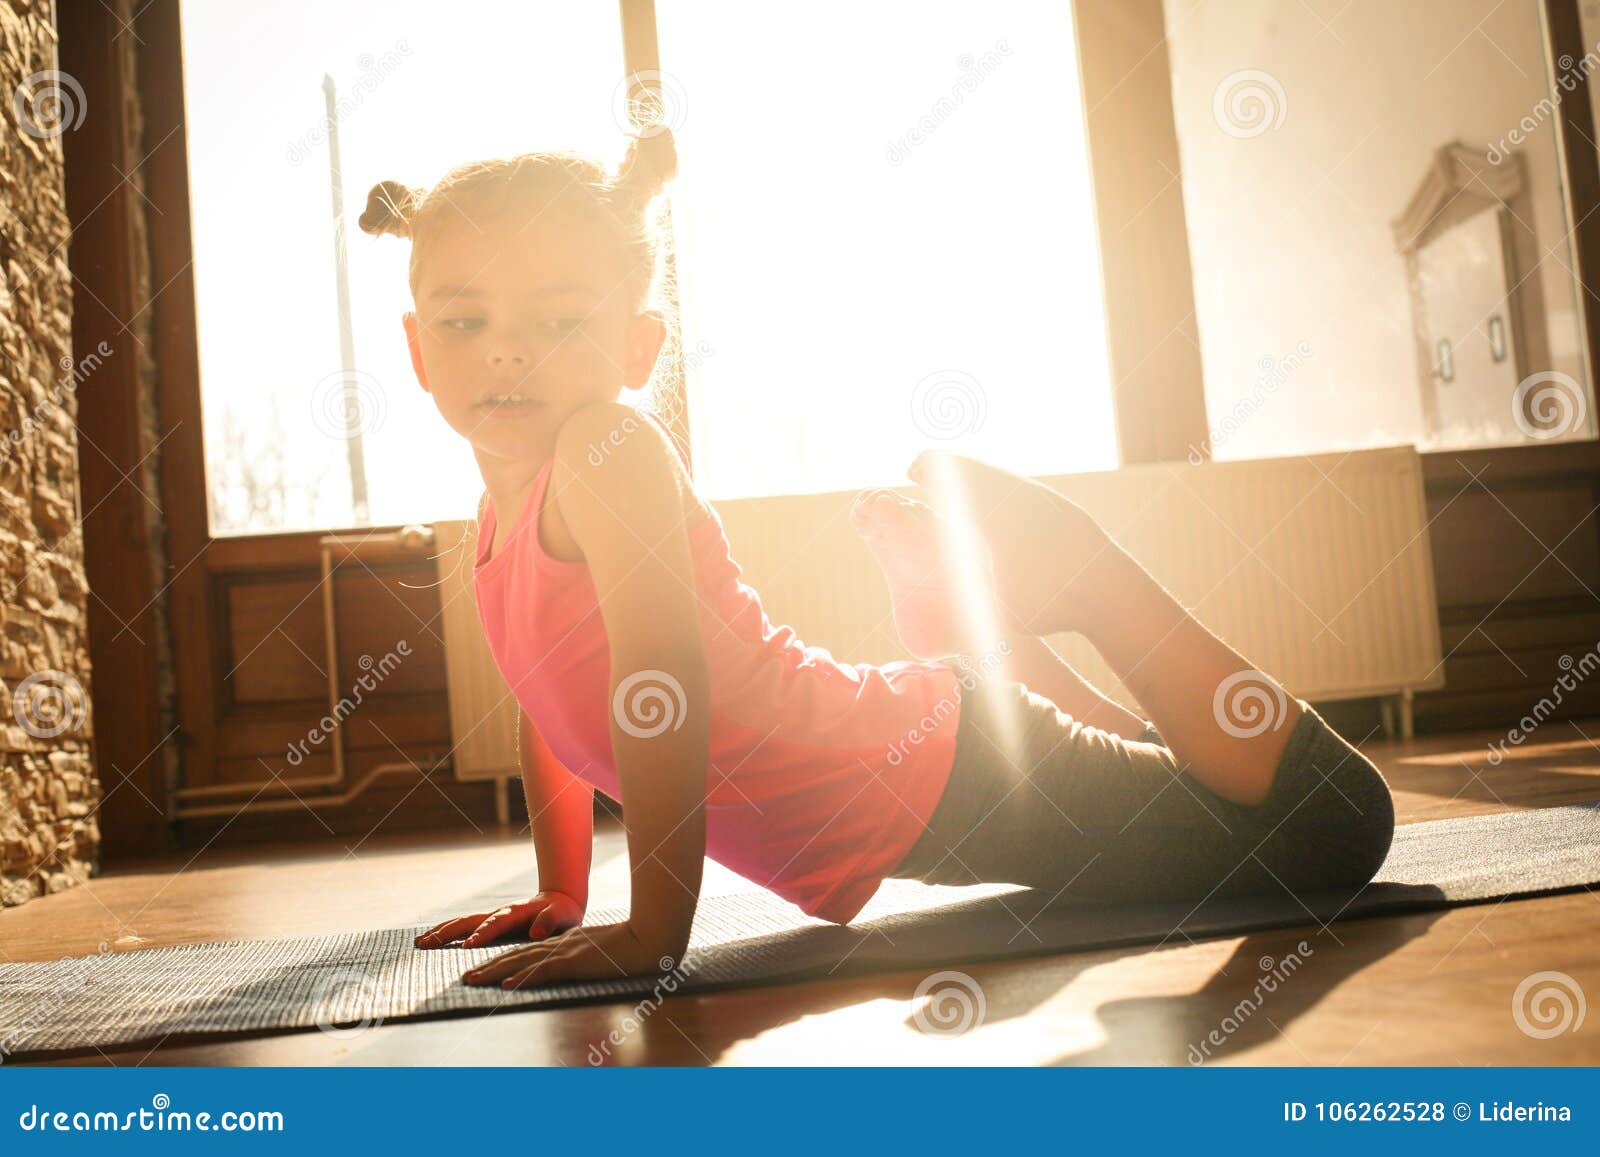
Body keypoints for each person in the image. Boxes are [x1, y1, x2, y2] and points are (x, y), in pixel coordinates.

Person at [362, 129, 1394, 991]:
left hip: (939, 778)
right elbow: (555, 705)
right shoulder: (499, 514)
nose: (508, 349)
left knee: (1330, 830)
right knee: (1197, 805)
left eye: (558, 320)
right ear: (417, 349)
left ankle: (1086, 576)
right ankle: (983, 636)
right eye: (466, 320)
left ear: (637, 347)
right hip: (928, 763)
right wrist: (563, 888)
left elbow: (660, 684)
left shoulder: (607, 448)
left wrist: (655, 932)